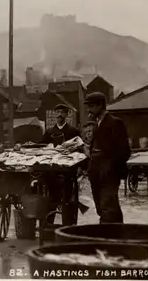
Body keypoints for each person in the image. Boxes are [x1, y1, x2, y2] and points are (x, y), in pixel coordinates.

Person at [85, 92, 130, 224]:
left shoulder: (115, 122)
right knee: (103, 207)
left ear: (100, 105)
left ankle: (104, 238)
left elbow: (124, 151)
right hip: (96, 172)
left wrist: (110, 167)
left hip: (109, 174)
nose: (88, 110)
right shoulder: (96, 124)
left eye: (91, 106)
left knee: (107, 208)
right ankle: (119, 234)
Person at [40, 104, 82, 225]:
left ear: (66, 114)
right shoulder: (49, 132)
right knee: (51, 198)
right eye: (57, 112)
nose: (59, 114)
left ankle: (67, 225)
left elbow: (80, 149)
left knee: (67, 199)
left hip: (68, 170)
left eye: (62, 112)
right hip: (52, 171)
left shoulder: (73, 131)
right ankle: (48, 225)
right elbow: (41, 147)